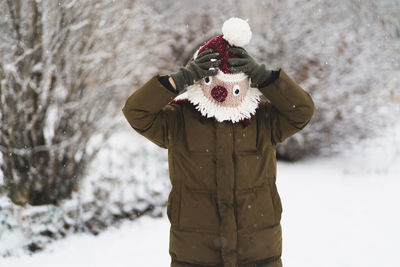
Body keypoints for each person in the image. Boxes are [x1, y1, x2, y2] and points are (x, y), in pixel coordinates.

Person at [122, 18, 315, 267]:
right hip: (195, 254)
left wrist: (267, 78)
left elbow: (302, 111)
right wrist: (178, 80)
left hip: (258, 253)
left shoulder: (263, 118)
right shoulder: (179, 119)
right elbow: (136, 112)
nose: (223, 91)